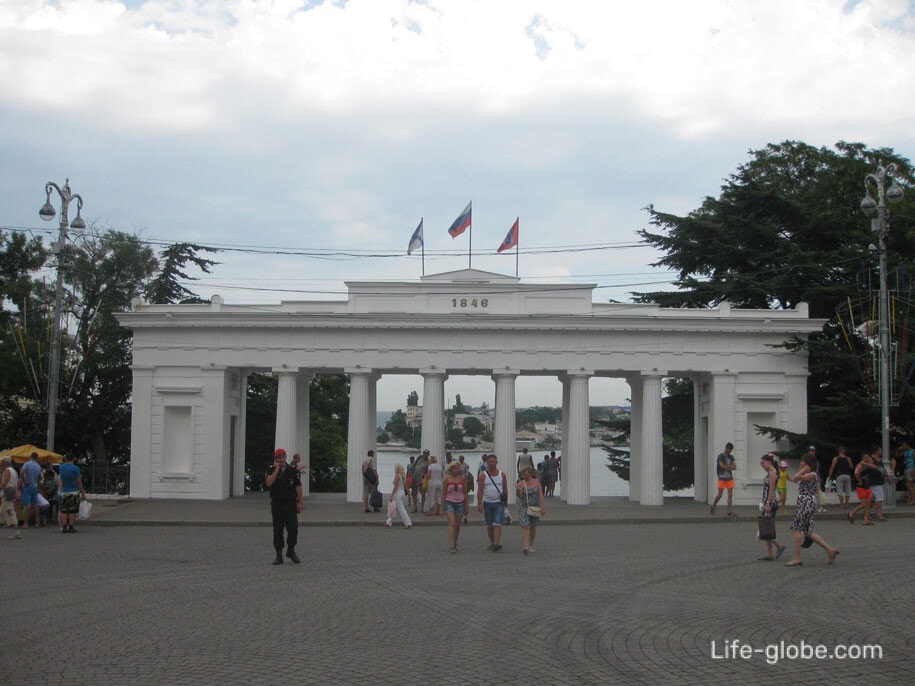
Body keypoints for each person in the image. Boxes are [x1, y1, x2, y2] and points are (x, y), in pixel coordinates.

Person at [784, 453, 839, 566]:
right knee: (808, 532)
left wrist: (803, 469)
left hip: (806, 503)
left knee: (797, 529)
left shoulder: (812, 474)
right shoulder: (810, 474)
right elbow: (794, 479)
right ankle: (830, 550)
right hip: (806, 503)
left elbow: (796, 477)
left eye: (803, 462)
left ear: (808, 464)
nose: (801, 463)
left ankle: (797, 557)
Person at [265, 448, 303, 564]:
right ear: (275, 458)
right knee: (277, 530)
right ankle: (278, 554)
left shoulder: (293, 471)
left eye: (283, 457)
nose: (281, 459)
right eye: (279, 457)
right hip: (277, 504)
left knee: (293, 529)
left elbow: (298, 486)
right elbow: (268, 483)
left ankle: (291, 550)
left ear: (286, 457)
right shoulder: (270, 469)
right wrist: (276, 469)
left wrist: (300, 502)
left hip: (290, 503)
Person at [757, 453, 786, 561]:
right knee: (766, 527)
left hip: (770, 502)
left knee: (766, 528)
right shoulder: (769, 472)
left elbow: (772, 489)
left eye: (763, 463)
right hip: (766, 502)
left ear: (768, 462)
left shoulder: (772, 473)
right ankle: (769, 553)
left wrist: (768, 503)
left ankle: (779, 546)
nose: (761, 465)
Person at [478, 454, 507, 552]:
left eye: (493, 461)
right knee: (490, 525)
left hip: (498, 502)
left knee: (497, 523)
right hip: (487, 502)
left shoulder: (501, 474)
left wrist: (506, 501)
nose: (491, 463)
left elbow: (505, 488)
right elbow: (480, 490)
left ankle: (496, 543)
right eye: (489, 462)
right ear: (487, 463)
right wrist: (479, 503)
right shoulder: (483, 475)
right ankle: (492, 542)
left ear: (496, 462)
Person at [516, 465, 545, 555]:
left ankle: (531, 544)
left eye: (525, 474)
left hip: (535, 506)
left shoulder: (536, 482)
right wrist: (518, 489)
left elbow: (540, 494)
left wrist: (543, 506)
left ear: (530, 474)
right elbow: (520, 496)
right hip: (524, 506)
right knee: (525, 526)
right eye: (523, 474)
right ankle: (526, 546)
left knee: (533, 526)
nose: (524, 475)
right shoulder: (521, 483)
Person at [442, 461, 468, 553]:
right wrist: (441, 508)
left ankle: (455, 541)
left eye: (459, 468)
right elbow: (443, 494)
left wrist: (466, 506)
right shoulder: (447, 480)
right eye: (456, 468)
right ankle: (452, 545)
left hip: (460, 502)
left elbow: (465, 493)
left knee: (457, 524)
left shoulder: (462, 479)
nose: (458, 470)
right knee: (452, 522)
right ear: (451, 469)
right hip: (449, 502)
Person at [58, 455, 86, 534]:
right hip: (73, 491)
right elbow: (79, 481)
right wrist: (82, 493)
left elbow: (61, 478)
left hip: (64, 491)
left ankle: (64, 527)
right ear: (73, 459)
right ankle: (71, 526)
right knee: (72, 510)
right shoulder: (75, 468)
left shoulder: (62, 467)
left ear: (66, 459)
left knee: (64, 510)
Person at [711, 442, 736, 516]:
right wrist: (729, 467)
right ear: (726, 448)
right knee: (720, 494)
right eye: (729, 450)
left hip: (729, 478)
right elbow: (722, 466)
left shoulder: (731, 457)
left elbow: (735, 466)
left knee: (730, 495)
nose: (730, 451)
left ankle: (729, 511)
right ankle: (714, 505)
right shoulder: (721, 456)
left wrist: (727, 467)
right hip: (722, 477)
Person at [849, 452, 875, 525]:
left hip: (867, 486)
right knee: (864, 504)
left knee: (869, 504)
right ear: (863, 458)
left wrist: (868, 462)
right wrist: (859, 480)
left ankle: (866, 519)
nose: (868, 458)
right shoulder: (860, 465)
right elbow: (856, 473)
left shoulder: (866, 465)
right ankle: (852, 513)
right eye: (866, 457)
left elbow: (874, 467)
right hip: (861, 487)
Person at [384, 463, 412, 529]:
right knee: (395, 508)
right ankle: (389, 521)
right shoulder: (403, 476)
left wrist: (391, 495)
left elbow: (395, 487)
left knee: (400, 508)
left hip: (398, 493)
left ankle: (408, 523)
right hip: (402, 492)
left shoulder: (397, 476)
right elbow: (406, 487)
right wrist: (408, 495)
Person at [19, 451, 42, 529]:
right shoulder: (38, 466)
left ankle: (26, 523)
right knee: (35, 504)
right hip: (35, 486)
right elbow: (40, 477)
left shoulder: (27, 464)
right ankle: (37, 522)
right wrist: (37, 483)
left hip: (27, 486)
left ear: (30, 456)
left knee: (28, 504)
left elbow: (21, 472)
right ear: (36, 458)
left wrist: (24, 481)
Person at [827, 446, 854, 510]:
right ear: (843, 451)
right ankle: (847, 504)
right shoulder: (848, 458)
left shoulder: (836, 458)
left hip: (840, 475)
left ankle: (841, 504)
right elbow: (851, 467)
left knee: (840, 490)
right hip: (847, 475)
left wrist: (829, 476)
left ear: (839, 451)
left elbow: (832, 468)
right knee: (847, 490)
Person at [1, 456, 21, 539]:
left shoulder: (7, 471)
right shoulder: (14, 471)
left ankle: (16, 532)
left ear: (5, 463)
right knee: (2, 510)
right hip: (11, 491)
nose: (0, 463)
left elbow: (4, 483)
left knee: (9, 511)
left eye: (2, 462)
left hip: (7, 492)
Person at [867, 446, 888, 521]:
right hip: (874, 481)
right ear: (876, 451)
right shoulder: (870, 459)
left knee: (871, 499)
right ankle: (879, 515)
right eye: (880, 450)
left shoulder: (880, 459)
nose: (882, 451)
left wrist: (887, 477)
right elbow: (872, 467)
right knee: (879, 498)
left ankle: (868, 515)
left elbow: (883, 469)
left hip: (879, 481)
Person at [901, 439, 915, 505]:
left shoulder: (913, 451)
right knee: (910, 485)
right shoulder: (905, 451)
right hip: (906, 467)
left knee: (908, 484)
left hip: (911, 468)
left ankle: (913, 498)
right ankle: (912, 497)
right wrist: (899, 449)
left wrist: (914, 470)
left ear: (907, 445)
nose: (903, 446)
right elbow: (897, 455)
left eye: (904, 445)